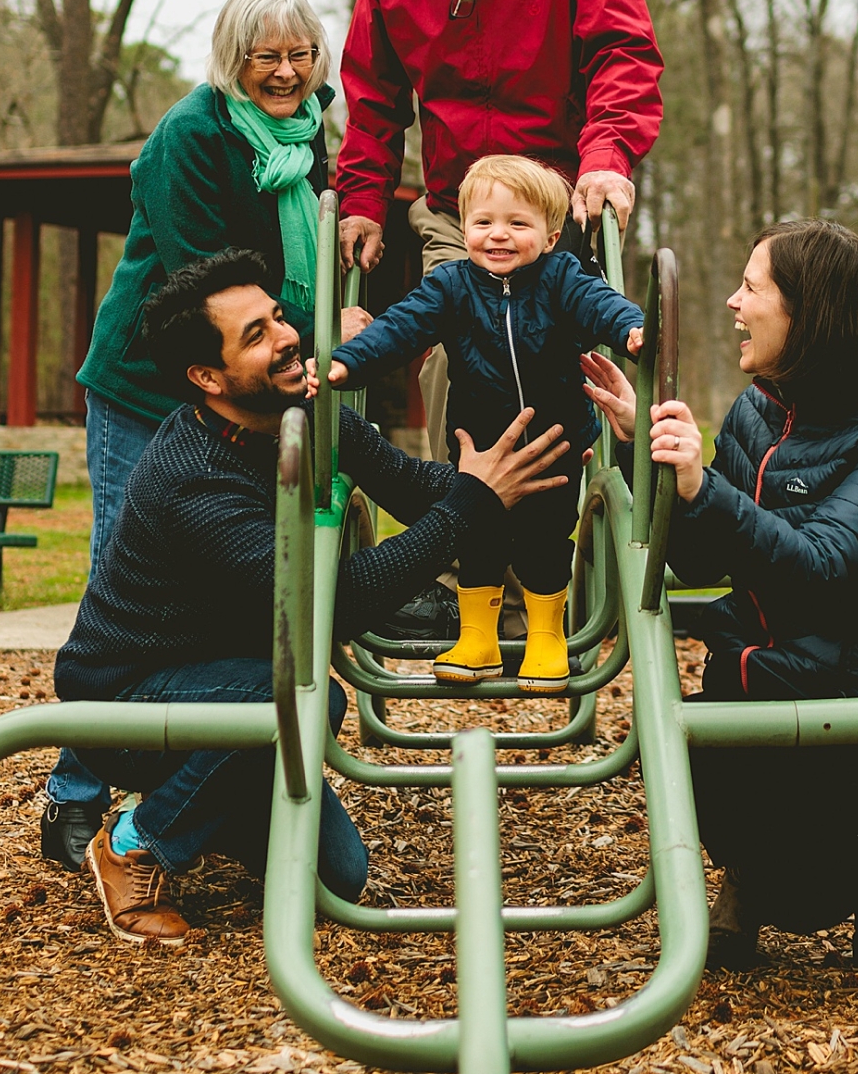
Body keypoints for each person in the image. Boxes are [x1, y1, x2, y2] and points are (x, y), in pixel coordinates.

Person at [54, 248, 569, 947]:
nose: (287, 336)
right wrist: (471, 507)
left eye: (276, 317)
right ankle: (136, 840)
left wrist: (518, 479)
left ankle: (214, 796)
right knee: (305, 698)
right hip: (126, 698)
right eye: (255, 335)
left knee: (338, 879)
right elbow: (338, 603)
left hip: (230, 677)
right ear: (207, 377)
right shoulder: (193, 481)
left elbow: (413, 487)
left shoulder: (305, 415)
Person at [40, 0, 370, 873]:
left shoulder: (306, 134)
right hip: (156, 384)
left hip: (242, 386)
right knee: (124, 574)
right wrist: (309, 321)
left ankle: (202, 776)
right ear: (234, 60)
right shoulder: (190, 138)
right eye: (266, 57)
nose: (287, 71)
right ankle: (74, 790)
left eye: (301, 54)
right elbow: (206, 286)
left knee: (232, 579)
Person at [583, 220, 858, 970]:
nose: (730, 302)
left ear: (807, 313)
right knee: (731, 817)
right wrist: (640, 452)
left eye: (751, 288)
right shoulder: (756, 412)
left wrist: (700, 485)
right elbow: (697, 558)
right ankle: (749, 873)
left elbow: (820, 563)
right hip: (749, 682)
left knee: (820, 878)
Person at [335, 0, 663, 463]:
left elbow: (621, 53)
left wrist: (606, 155)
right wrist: (362, 200)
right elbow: (372, 97)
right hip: (460, 215)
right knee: (453, 360)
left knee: (564, 368)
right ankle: (459, 546)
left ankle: (559, 531)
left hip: (558, 209)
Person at [313, 156, 644, 693]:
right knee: (479, 538)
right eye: (484, 222)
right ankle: (478, 639)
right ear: (463, 227)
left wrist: (633, 329)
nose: (499, 236)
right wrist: (349, 362)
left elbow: (600, 303)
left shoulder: (562, 278)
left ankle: (546, 637)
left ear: (551, 234)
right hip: (478, 447)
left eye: (518, 224)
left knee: (544, 542)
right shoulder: (451, 285)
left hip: (555, 446)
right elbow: (402, 327)